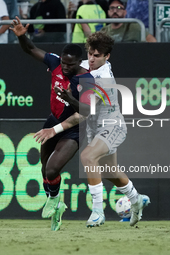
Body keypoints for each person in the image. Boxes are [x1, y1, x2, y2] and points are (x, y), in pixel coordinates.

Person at [35, 31, 150, 227]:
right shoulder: (88, 67)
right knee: (110, 171)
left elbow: (82, 114)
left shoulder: (102, 79)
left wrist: (54, 130)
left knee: (87, 157)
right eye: (90, 53)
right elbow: (72, 67)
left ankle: (98, 211)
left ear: (107, 57)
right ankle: (137, 200)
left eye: (97, 56)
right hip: (94, 128)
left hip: (111, 125)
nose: (92, 59)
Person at [10, 17, 95, 231]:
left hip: (74, 129)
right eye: (64, 63)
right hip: (53, 120)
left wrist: (70, 99)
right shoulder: (55, 62)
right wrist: (22, 36)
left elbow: (86, 111)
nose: (65, 67)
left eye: (70, 64)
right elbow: (31, 49)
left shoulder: (86, 79)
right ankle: (56, 204)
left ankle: (55, 201)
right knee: (44, 168)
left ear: (79, 62)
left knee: (51, 170)